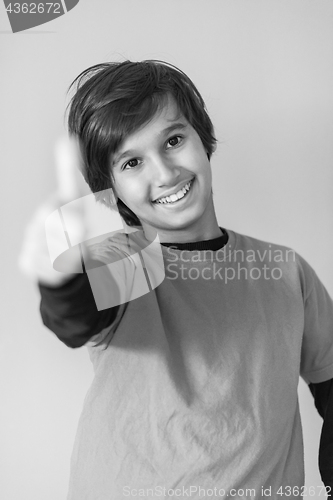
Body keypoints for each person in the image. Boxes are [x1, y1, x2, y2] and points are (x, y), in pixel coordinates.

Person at [21, 60, 333, 499]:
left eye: (173, 140)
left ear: (202, 141)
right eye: (131, 162)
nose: (165, 173)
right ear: (110, 188)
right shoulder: (130, 260)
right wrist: (60, 280)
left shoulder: (286, 271)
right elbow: (78, 312)